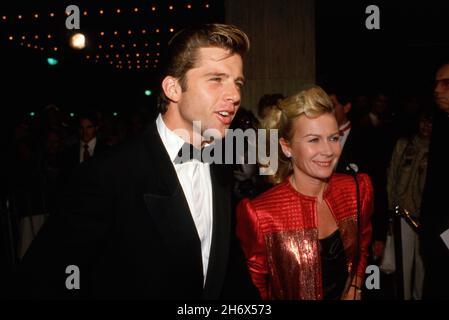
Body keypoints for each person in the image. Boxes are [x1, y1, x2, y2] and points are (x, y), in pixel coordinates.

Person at [10, 24, 257, 299]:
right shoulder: (107, 175)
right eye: (216, 79)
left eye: (237, 82)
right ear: (173, 88)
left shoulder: (221, 167)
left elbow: (224, 271)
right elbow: (43, 278)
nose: (234, 95)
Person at [236, 86, 374, 300]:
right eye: (313, 140)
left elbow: (362, 247)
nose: (328, 150)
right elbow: (256, 289)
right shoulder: (261, 214)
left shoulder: (357, 189)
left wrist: (356, 285)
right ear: (286, 147)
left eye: (334, 138)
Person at [386, 111, 433, 300]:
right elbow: (391, 177)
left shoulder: (439, 149)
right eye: (423, 121)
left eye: (430, 123)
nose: (426, 126)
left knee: (423, 267)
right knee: (404, 266)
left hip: (426, 218)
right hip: (403, 214)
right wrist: (390, 210)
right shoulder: (404, 145)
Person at [420, 61, 449, 299]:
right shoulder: (441, 123)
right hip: (436, 235)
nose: (437, 89)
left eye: (446, 83)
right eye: (436, 83)